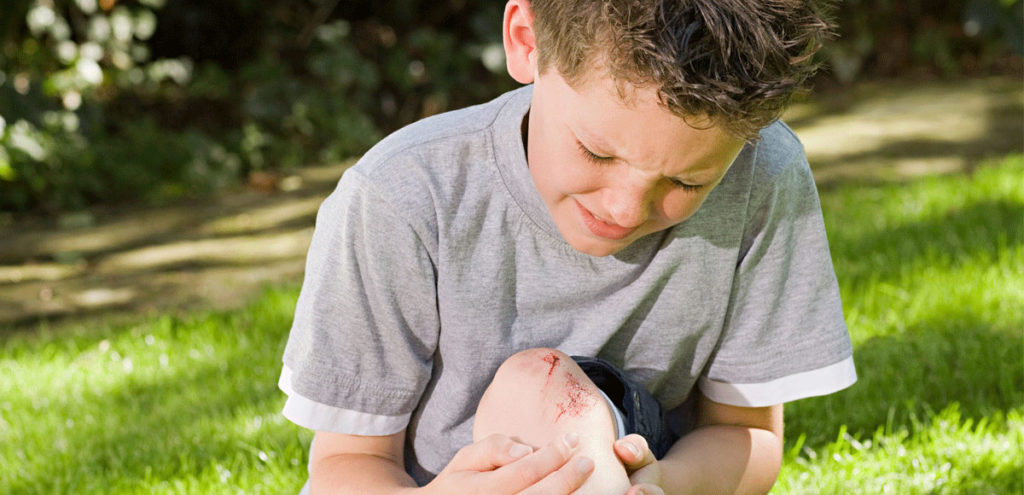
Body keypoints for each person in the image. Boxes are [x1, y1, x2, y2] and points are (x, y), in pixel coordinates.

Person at [277, 0, 858, 493]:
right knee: (539, 380)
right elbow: (343, 468)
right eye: (597, 154)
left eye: (687, 183)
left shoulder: (764, 173)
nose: (625, 209)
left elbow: (748, 436)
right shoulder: (403, 196)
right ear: (527, 41)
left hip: (639, 468)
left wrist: (657, 484)